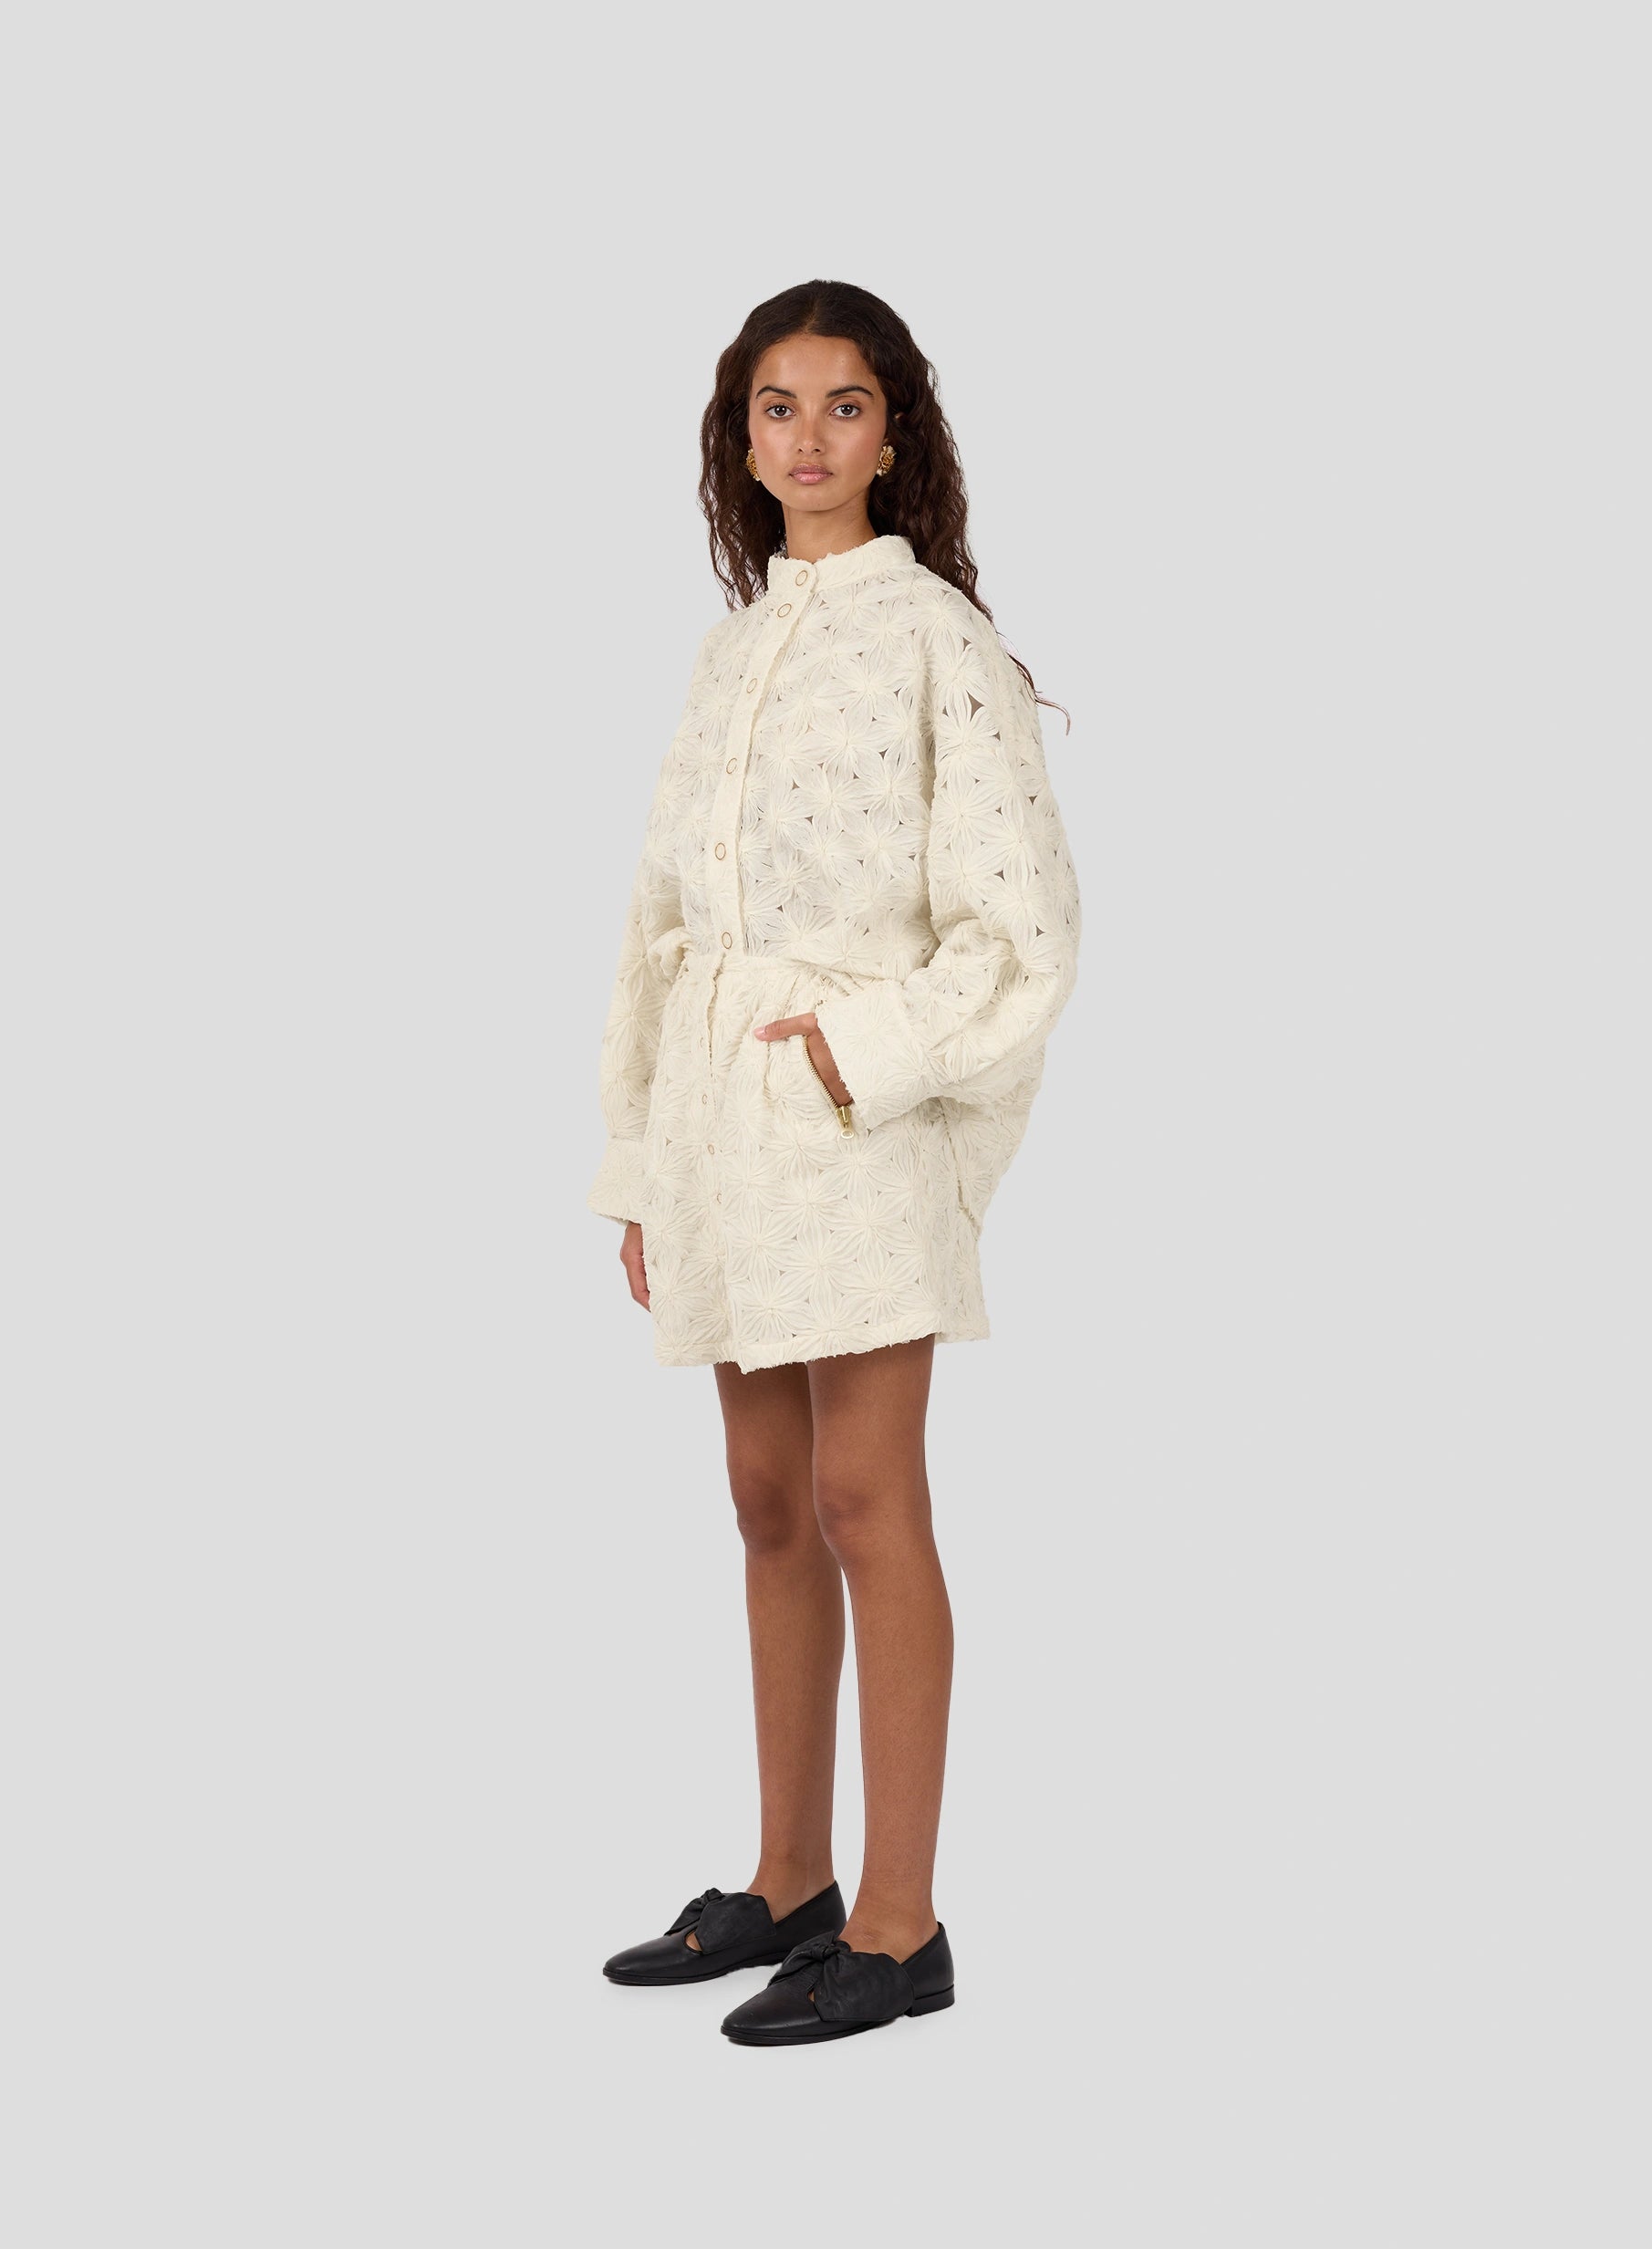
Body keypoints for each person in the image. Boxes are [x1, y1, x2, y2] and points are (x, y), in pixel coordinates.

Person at [585, 279, 1081, 2047]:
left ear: (895, 433)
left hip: (858, 1118)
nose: (808, 438)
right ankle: (789, 1878)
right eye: (776, 408)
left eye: (843, 406)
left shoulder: (938, 642)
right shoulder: (730, 651)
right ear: (739, 439)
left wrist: (855, 1053)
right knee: (766, 1498)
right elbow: (656, 925)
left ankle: (898, 1921)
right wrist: (641, 1161)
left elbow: (1022, 934)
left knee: (871, 1498)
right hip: (719, 1127)